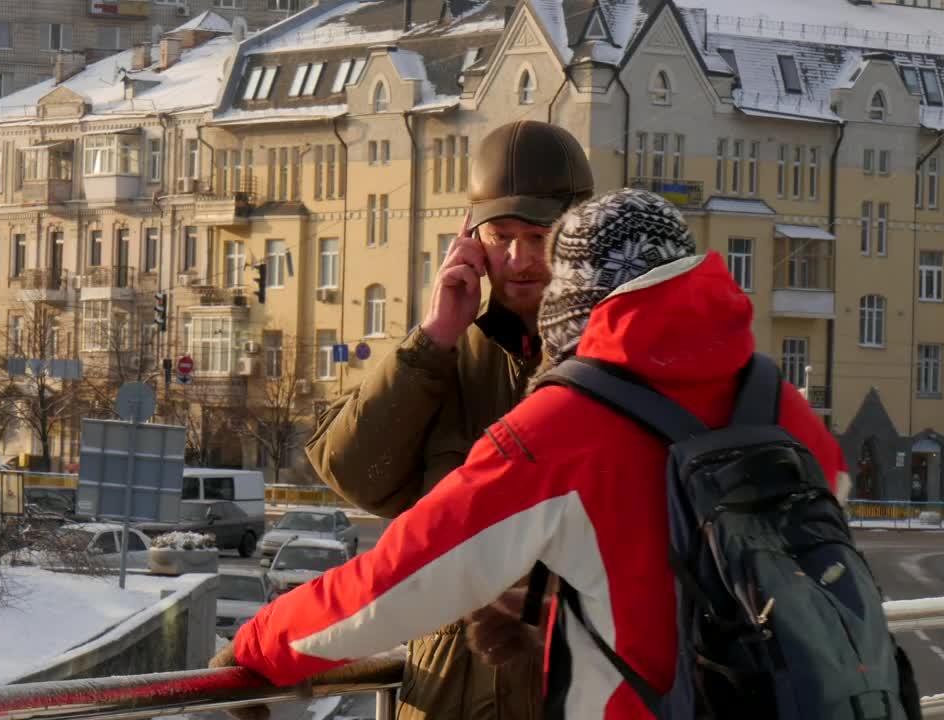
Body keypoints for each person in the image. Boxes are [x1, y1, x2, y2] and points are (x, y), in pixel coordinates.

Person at [213, 189, 850, 717]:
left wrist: (257, 645)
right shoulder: (777, 404)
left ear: (576, 293)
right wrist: (561, 600)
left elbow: (395, 584)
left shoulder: (567, 423)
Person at [300, 120, 594, 720]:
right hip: (444, 699)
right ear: (472, 241)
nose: (519, 260)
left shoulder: (615, 360)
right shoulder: (446, 359)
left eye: (539, 236)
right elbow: (355, 472)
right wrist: (434, 337)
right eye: (501, 236)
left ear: (578, 239)